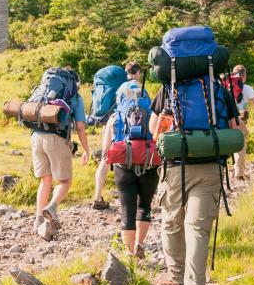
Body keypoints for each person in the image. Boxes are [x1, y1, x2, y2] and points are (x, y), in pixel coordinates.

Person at [149, 82, 240, 285]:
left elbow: (153, 129)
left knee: (172, 223)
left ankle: (177, 279)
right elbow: (236, 128)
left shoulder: (168, 89)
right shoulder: (217, 88)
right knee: (198, 230)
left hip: (175, 168)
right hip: (210, 168)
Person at [101, 79, 159, 258]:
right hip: (149, 163)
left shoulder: (115, 117)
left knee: (127, 211)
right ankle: (140, 244)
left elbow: (106, 150)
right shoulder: (153, 114)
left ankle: (130, 252)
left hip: (123, 166)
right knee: (145, 206)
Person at [32, 68, 90, 235]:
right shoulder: (75, 97)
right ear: (75, 82)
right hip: (56, 138)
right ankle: (52, 207)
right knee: (65, 181)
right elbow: (80, 126)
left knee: (45, 180)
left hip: (36, 136)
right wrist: (86, 149)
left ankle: (38, 222)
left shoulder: (44, 90)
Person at [92, 61, 145, 210]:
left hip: (112, 122)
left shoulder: (120, 86)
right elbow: (136, 108)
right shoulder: (136, 86)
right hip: (127, 125)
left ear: (126, 72)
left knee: (105, 158)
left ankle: (97, 197)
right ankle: (136, 197)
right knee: (135, 156)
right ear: (138, 72)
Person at [230, 65, 254, 180]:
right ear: (244, 76)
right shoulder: (247, 88)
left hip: (224, 118)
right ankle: (239, 173)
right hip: (238, 121)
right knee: (240, 145)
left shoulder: (225, 86)